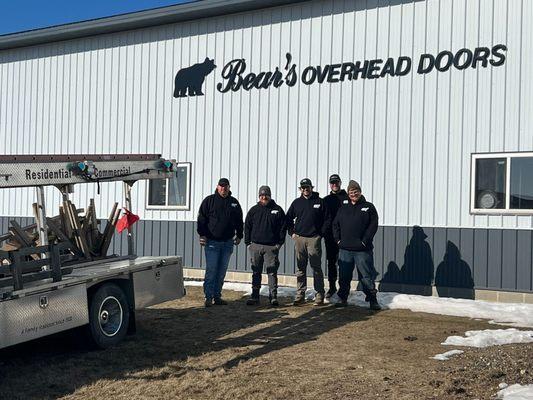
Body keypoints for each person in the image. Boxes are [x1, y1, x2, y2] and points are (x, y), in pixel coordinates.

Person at [332, 180, 381, 310]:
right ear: (348, 194)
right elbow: (335, 224)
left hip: (362, 249)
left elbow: (373, 225)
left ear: (360, 192)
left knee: (366, 275)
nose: (354, 194)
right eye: (351, 192)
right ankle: (342, 298)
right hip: (345, 249)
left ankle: (372, 299)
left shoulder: (368, 207)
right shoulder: (343, 208)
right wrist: (338, 240)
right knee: (344, 276)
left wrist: (365, 240)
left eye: (356, 191)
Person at [197, 178, 243, 307]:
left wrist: (239, 235)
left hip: (228, 243)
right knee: (211, 270)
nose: (223, 188)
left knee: (221, 271)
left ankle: (217, 296)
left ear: (229, 187)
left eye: (226, 186)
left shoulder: (234, 203)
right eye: (221, 186)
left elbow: (239, 220)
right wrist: (202, 235)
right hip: (212, 242)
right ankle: (208, 296)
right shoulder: (209, 201)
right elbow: (202, 219)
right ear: (217, 187)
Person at [286, 178, 329, 306]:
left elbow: (328, 219)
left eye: (308, 187)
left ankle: (319, 294)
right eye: (303, 187)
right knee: (301, 268)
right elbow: (288, 218)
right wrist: (292, 233)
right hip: (299, 238)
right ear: (300, 189)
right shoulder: (297, 203)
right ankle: (300, 294)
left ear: (312, 188)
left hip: (314, 239)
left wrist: (320, 234)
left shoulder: (319, 202)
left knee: (316, 268)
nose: (306, 189)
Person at [244, 186, 286, 306]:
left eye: (266, 195)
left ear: (270, 195)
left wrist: (279, 243)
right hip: (255, 246)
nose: (264, 197)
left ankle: (273, 297)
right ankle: (255, 296)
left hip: (271, 247)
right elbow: (247, 226)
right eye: (261, 195)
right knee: (256, 271)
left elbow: (283, 228)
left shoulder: (277, 210)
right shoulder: (254, 210)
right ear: (259, 196)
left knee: (272, 272)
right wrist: (248, 243)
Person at [323, 174, 349, 298]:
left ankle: (343, 289)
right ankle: (332, 287)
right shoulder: (326, 200)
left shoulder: (347, 197)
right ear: (330, 184)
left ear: (340, 183)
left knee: (343, 262)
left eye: (336, 182)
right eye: (332, 183)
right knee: (331, 262)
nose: (334, 185)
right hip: (330, 236)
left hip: (344, 236)